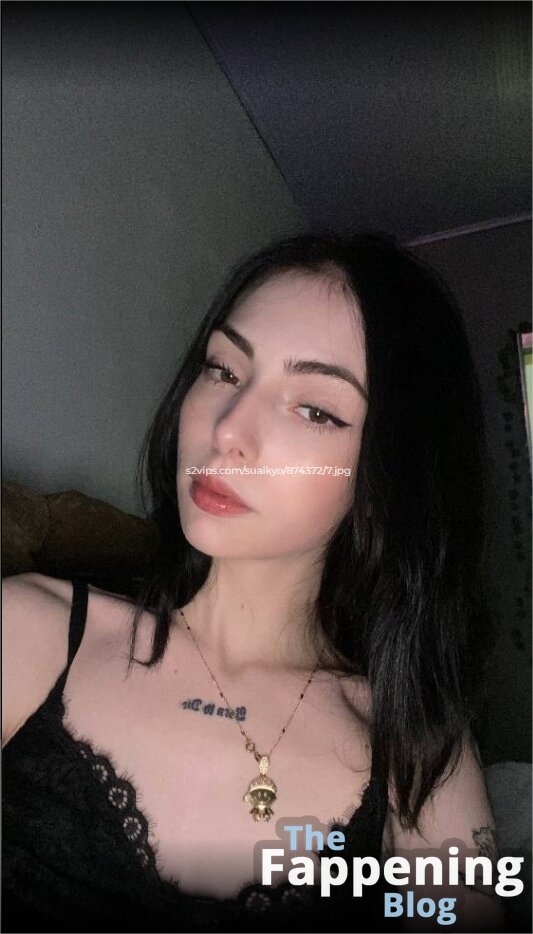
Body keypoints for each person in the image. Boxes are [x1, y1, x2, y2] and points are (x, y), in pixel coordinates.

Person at [2, 233, 507, 933]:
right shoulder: (26, 631)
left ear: (386, 477)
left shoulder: (417, 750)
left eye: (315, 409)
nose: (228, 430)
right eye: (222, 369)